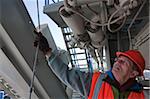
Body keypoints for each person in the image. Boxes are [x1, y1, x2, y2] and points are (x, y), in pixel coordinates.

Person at [34, 31, 145, 99]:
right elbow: (67, 75)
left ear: (133, 73)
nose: (117, 62)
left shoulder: (143, 96)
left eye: (124, 62)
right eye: (118, 59)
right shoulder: (95, 82)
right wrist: (48, 52)